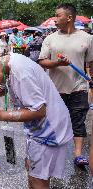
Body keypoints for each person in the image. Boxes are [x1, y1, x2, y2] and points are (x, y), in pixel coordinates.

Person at [0, 54, 73, 189]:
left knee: (37, 180)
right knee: (32, 170)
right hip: (40, 130)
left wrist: (2, 115)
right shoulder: (9, 64)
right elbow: (8, 88)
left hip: (49, 131)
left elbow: (39, 111)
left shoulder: (21, 73)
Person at [38, 3, 93, 166]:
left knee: (78, 121)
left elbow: (90, 62)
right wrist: (57, 63)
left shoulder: (87, 38)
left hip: (79, 87)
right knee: (55, 122)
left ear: (69, 18)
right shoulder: (50, 39)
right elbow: (42, 61)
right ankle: (54, 153)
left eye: (58, 16)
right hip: (56, 89)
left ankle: (77, 155)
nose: (55, 19)